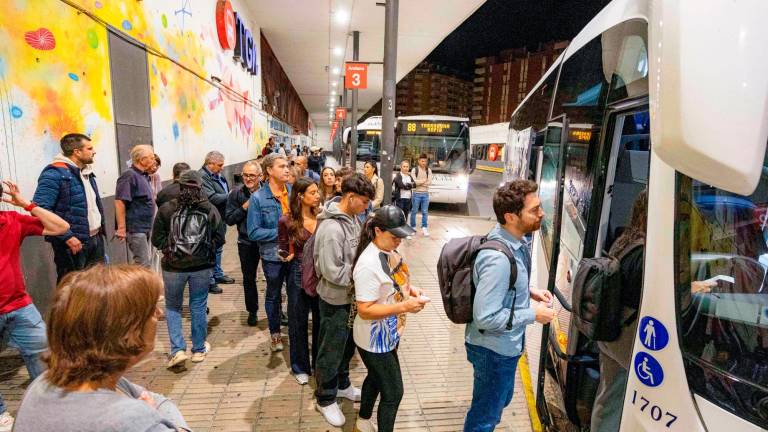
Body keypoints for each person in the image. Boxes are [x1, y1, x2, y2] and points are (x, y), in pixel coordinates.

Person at [13, 265, 190, 432]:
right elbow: (154, 407)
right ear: (128, 331)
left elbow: (158, 400)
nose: (159, 315)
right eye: (151, 309)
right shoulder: (131, 421)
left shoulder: (45, 382)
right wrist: (162, 421)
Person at [463, 180, 555, 432]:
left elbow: (504, 285)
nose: (542, 213)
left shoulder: (514, 242)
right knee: (485, 417)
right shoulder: (498, 259)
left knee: (498, 402)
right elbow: (485, 317)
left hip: (503, 347)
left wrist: (529, 292)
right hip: (493, 350)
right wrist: (532, 314)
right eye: (534, 210)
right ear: (510, 216)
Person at [0, 180, 69, 431]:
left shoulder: (11, 220)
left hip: (19, 306)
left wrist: (27, 205)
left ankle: (45, 407)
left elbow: (61, 227)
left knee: (42, 354)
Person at [352, 206, 425, 432]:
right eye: (394, 237)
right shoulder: (367, 265)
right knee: (393, 393)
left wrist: (409, 291)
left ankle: (363, 422)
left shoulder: (387, 253)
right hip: (374, 340)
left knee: (375, 378)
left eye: (401, 237)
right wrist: (404, 306)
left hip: (388, 333)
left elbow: (391, 286)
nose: (398, 241)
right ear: (377, 231)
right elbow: (364, 309)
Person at [313, 173, 375, 427]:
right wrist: (361, 278)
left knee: (346, 346)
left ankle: (342, 385)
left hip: (350, 299)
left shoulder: (352, 218)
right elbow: (332, 271)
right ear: (350, 198)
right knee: (331, 348)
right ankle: (325, 398)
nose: (365, 207)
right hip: (335, 299)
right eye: (363, 202)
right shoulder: (330, 228)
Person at [152, 170, 224, 368]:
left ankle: (177, 350)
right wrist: (206, 252)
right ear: (200, 187)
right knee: (198, 305)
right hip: (202, 267)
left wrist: (169, 251)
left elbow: (156, 238)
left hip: (173, 267)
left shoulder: (167, 209)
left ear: (180, 186)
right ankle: (199, 349)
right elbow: (220, 237)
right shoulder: (208, 209)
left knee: (173, 306)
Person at [590, 192, 647, 432]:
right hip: (625, 342)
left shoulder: (625, 240)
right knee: (614, 400)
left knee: (608, 397)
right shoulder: (645, 253)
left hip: (610, 334)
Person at [33, 133, 106, 281]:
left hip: (95, 239)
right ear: (77, 152)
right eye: (89, 148)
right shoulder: (54, 173)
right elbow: (39, 210)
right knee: (71, 289)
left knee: (96, 287)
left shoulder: (86, 171)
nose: (94, 151)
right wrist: (67, 237)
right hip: (73, 243)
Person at [278, 178, 321, 385]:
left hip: (321, 273)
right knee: (297, 321)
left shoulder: (323, 217)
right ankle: (300, 366)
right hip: (297, 271)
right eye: (312, 193)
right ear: (300, 196)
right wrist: (285, 255)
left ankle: (319, 365)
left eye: (317, 192)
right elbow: (283, 248)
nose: (317, 196)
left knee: (321, 321)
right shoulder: (286, 221)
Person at [247, 153, 292, 352]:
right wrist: (282, 233)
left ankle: (294, 331)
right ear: (269, 170)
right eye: (281, 166)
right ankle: (275, 333)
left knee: (295, 294)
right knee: (274, 295)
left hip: (295, 254)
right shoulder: (258, 198)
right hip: (272, 255)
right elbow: (254, 231)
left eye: (287, 166)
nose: (287, 169)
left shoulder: (292, 192)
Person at [225, 161, 263, 327]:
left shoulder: (269, 192)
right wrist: (244, 207)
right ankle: (252, 311)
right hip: (246, 242)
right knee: (249, 278)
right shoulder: (236, 194)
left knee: (275, 279)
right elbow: (230, 219)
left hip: (267, 242)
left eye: (252, 175)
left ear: (260, 176)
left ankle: (277, 311)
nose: (248, 178)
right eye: (245, 175)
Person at [115, 144, 157, 268]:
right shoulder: (129, 175)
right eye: (151, 157)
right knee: (143, 264)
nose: (154, 160)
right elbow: (120, 201)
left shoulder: (143, 176)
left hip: (145, 227)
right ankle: (142, 287)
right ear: (142, 160)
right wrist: (121, 228)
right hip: (136, 229)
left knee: (146, 263)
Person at [200, 151, 233, 294]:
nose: (222, 168)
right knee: (211, 249)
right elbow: (212, 197)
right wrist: (231, 195)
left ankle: (217, 274)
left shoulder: (216, 175)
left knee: (218, 247)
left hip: (220, 216)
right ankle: (210, 280)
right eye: (219, 165)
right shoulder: (202, 177)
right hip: (211, 218)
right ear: (210, 163)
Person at [410, 153, 432, 236]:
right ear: (418, 161)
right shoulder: (414, 170)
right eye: (422, 161)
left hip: (425, 194)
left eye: (425, 161)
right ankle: (413, 227)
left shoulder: (428, 170)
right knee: (414, 211)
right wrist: (423, 181)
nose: (424, 163)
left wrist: (420, 182)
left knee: (425, 212)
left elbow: (429, 182)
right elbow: (414, 182)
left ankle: (424, 227)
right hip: (416, 194)